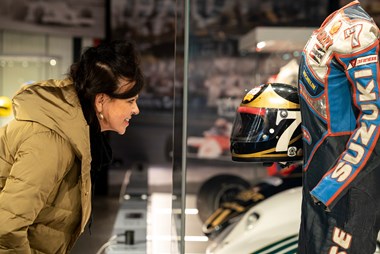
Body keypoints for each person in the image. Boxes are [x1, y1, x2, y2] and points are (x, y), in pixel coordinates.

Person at [0, 40, 144, 253]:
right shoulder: (51, 142)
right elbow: (7, 230)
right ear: (101, 100)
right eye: (130, 101)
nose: (136, 110)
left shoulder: (79, 136)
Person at [297, 1, 380, 253]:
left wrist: (333, 184)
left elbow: (373, 120)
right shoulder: (353, 28)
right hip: (329, 175)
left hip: (343, 182)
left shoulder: (354, 29)